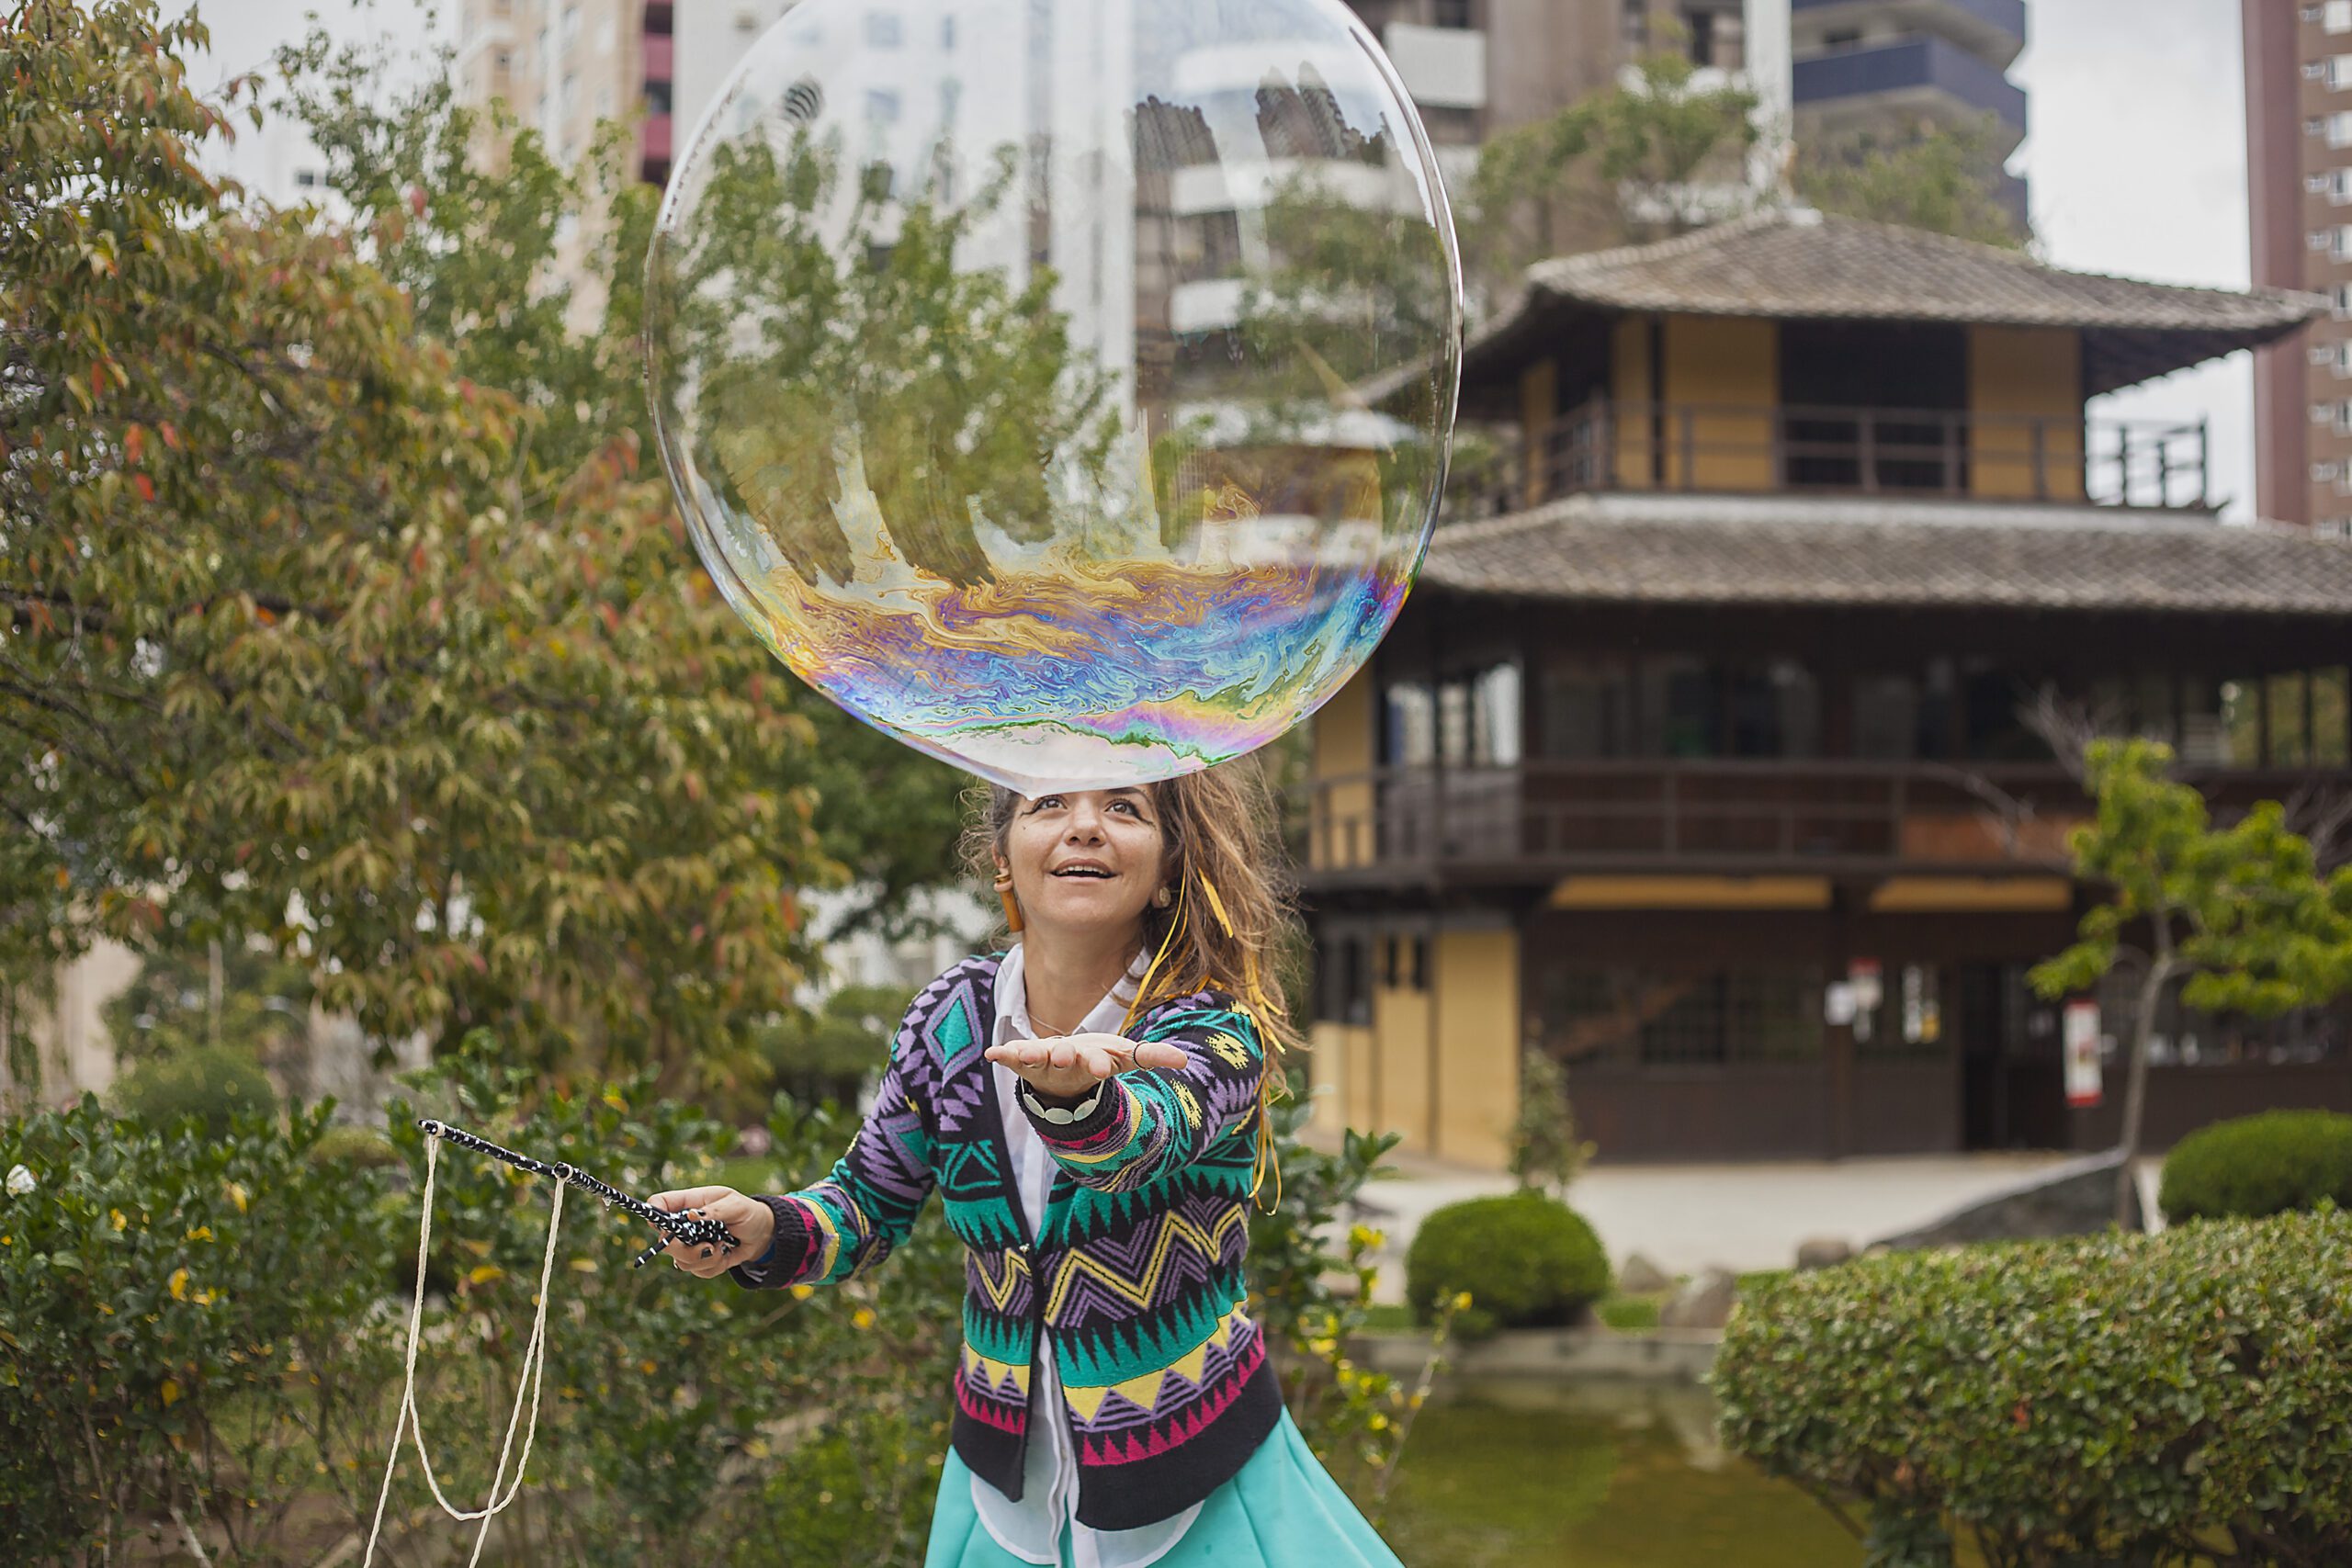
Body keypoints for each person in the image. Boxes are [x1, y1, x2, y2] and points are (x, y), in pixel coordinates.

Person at [650, 762, 1407, 1568]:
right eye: (1051, 804)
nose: (1086, 825)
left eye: (1125, 807)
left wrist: (1079, 1102)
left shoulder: (1212, 1027)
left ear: (1166, 870)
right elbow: (869, 1202)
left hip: (1196, 1481)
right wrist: (766, 1227)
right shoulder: (950, 1017)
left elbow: (1143, 1142)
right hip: (1002, 1495)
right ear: (1003, 858)